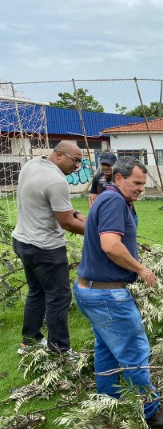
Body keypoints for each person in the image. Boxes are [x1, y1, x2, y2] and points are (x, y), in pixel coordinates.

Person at [73, 157, 163, 429]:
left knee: (107, 350)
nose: (140, 189)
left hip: (91, 290)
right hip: (107, 296)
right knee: (135, 352)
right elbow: (110, 245)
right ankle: (153, 415)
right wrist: (141, 269)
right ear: (118, 179)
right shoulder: (112, 201)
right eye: (136, 183)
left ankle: (109, 405)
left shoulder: (112, 200)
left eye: (143, 185)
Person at [12, 141, 86, 355]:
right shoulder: (56, 180)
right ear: (60, 155)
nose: (77, 166)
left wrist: (80, 216)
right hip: (45, 249)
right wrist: (96, 233)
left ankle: (30, 342)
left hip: (23, 241)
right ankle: (60, 349)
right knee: (58, 297)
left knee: (37, 292)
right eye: (75, 160)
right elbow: (66, 223)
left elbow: (60, 208)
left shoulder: (32, 165)